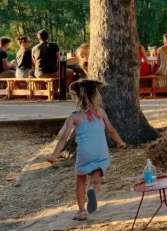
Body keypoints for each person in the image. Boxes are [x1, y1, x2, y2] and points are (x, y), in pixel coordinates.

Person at [47, 79, 126, 221]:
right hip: (101, 152)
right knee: (96, 179)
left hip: (85, 154)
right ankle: (93, 194)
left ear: (76, 98)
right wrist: (120, 142)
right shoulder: (100, 112)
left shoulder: (74, 117)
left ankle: (82, 211)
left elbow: (63, 139)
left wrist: (54, 155)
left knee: (80, 181)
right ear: (95, 96)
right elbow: (111, 130)